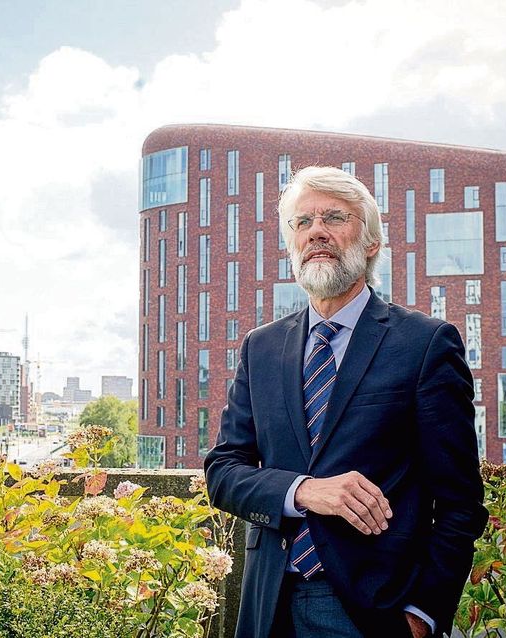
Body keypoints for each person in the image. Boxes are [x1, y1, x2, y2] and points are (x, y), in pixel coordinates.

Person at [204, 166, 488, 638]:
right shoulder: (261, 347)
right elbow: (224, 471)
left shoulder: (425, 344)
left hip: (371, 612)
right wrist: (303, 491)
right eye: (302, 222)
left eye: (334, 217)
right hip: (266, 606)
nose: (316, 231)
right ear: (291, 243)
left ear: (371, 242)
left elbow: (461, 503)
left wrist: (422, 614)